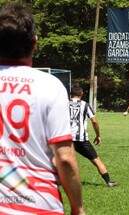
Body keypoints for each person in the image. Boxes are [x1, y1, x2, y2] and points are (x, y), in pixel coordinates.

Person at [0, 3, 85, 215]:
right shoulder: (50, 85)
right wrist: (78, 207)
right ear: (34, 43)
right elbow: (64, 157)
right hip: (39, 204)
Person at [69, 84, 117, 187]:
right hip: (81, 139)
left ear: (70, 94)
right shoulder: (85, 105)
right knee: (96, 160)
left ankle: (53, 181)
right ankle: (108, 182)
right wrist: (98, 135)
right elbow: (94, 121)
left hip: (66, 138)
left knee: (60, 160)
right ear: (81, 94)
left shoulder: (63, 104)